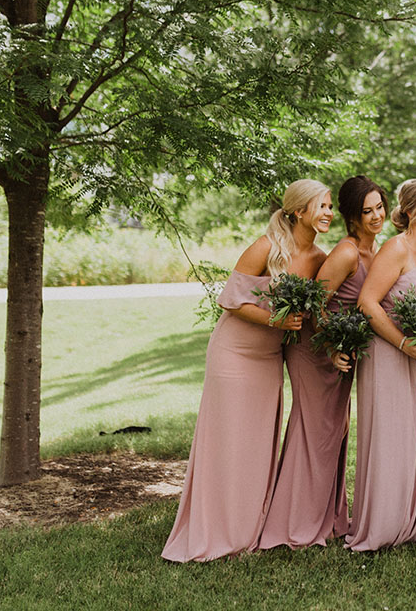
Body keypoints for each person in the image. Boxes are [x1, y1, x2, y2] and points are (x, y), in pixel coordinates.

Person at [163, 180, 330, 562]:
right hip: (235, 355)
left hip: (269, 359)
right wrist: (276, 320)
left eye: (330, 206)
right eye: (322, 206)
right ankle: (215, 529)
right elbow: (231, 301)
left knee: (255, 445)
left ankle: (246, 528)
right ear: (299, 211)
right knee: (228, 442)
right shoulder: (266, 247)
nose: (328, 214)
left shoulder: (320, 258)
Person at [258, 176, 386, 550]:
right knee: (314, 433)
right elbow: (315, 306)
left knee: (334, 432)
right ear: (352, 217)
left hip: (342, 354)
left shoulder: (374, 253)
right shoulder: (346, 253)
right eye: (367, 211)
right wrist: (331, 348)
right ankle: (293, 524)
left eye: (379, 207)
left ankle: (327, 518)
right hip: (314, 350)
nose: (376, 216)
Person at [345, 179, 416, 551]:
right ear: (411, 210)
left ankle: (411, 520)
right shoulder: (395, 248)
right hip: (388, 355)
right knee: (391, 437)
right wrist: (404, 343)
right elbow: (368, 303)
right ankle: (384, 524)